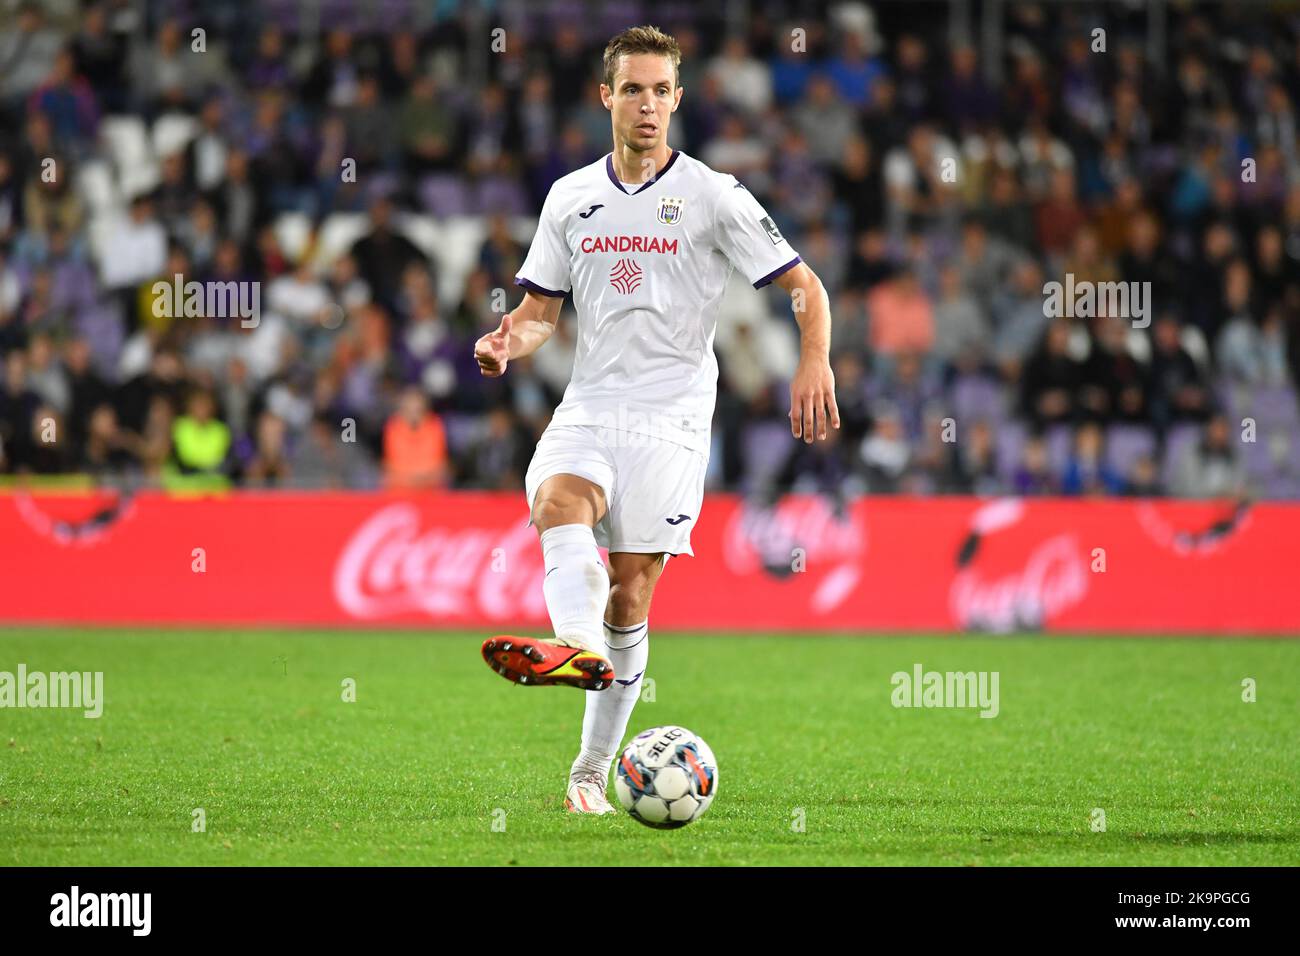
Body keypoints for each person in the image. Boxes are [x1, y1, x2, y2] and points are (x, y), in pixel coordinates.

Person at [472, 26, 838, 815]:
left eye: (661, 90)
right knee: (556, 501)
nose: (648, 104)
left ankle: (587, 772)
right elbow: (539, 314)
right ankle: (572, 649)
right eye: (632, 89)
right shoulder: (570, 197)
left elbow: (806, 285)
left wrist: (814, 359)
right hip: (592, 405)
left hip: (672, 422)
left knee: (630, 596)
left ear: (678, 97)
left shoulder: (714, 195)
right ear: (605, 96)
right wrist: (510, 341)